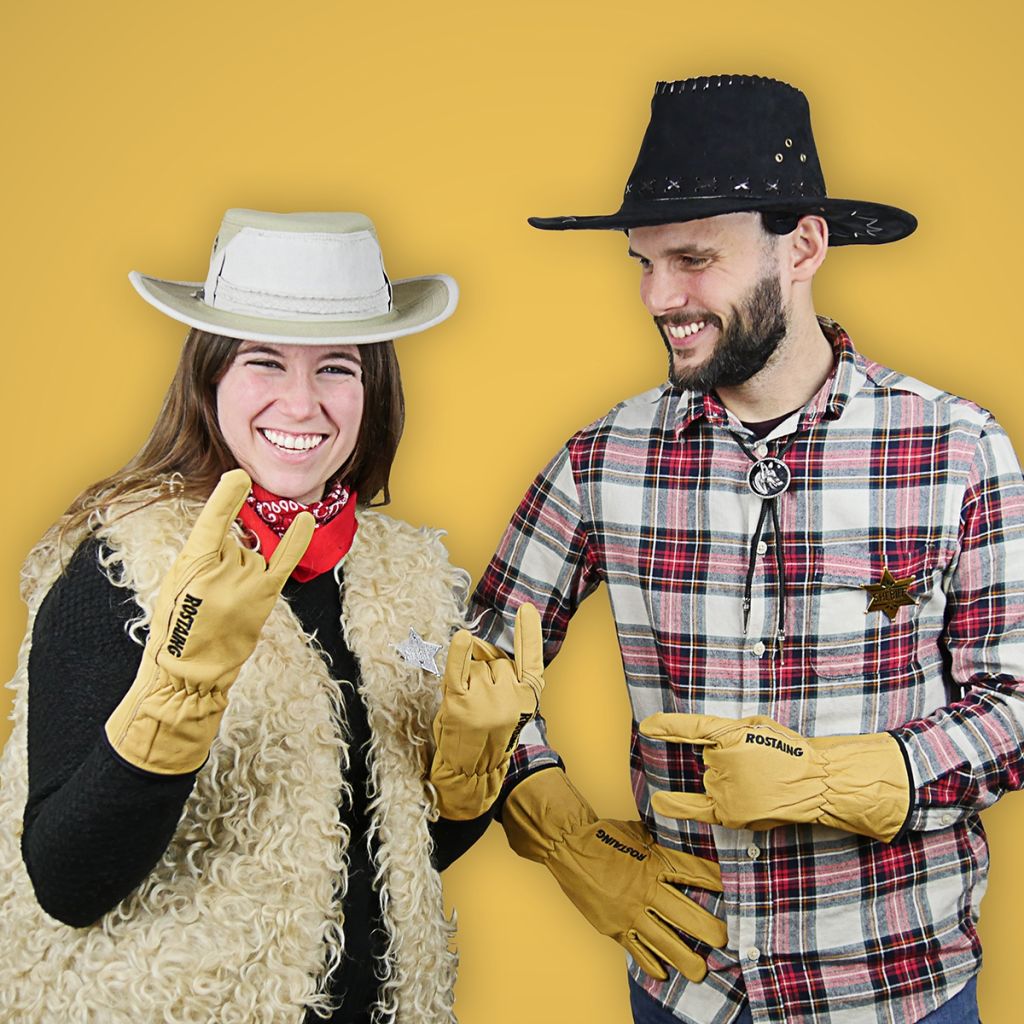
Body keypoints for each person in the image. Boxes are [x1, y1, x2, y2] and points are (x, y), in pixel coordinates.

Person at [471, 76, 1022, 1022]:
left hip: (897, 988)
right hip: (690, 988)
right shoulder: (606, 459)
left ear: (803, 245)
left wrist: (851, 778)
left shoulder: (957, 449)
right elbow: (466, 661)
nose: (659, 297)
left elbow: (1014, 703)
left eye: (692, 259)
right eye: (642, 264)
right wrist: (565, 839)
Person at [0, 208, 544, 1024]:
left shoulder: (403, 575)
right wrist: (180, 693)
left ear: (375, 389)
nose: (302, 402)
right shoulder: (123, 564)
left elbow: (387, 867)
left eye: (336, 368)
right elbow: (66, 883)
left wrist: (468, 782)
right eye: (264, 362)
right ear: (209, 377)